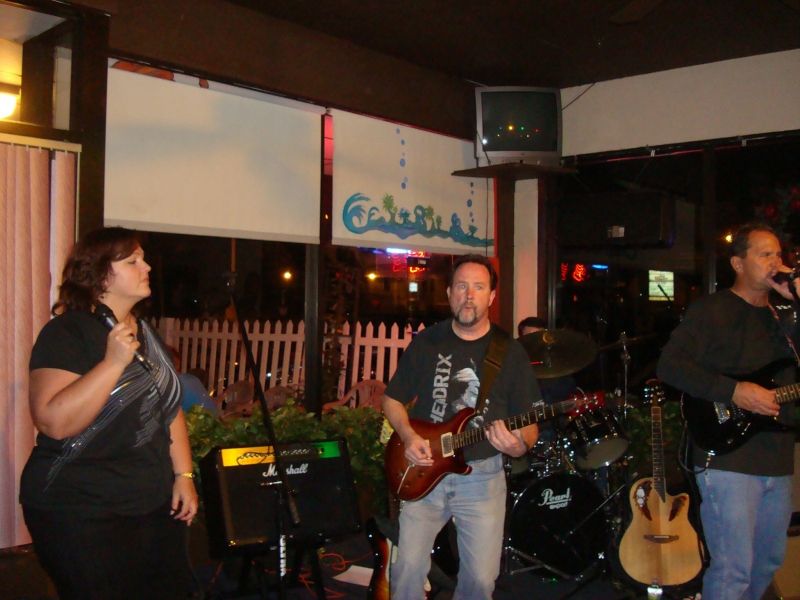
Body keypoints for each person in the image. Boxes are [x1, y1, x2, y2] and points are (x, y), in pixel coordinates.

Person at [19, 227, 198, 600]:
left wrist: (183, 475)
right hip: (80, 507)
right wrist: (112, 363)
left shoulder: (145, 332)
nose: (147, 266)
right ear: (100, 274)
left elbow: (169, 408)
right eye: (133, 261)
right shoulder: (67, 332)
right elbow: (53, 421)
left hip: (149, 504)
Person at [382, 254, 541, 599]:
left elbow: (529, 422)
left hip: (482, 476)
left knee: (481, 582)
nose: (469, 296)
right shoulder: (427, 342)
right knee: (407, 568)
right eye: (461, 286)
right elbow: (392, 399)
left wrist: (518, 446)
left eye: (478, 287)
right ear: (449, 292)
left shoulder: (510, 352)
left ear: (491, 296)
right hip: (424, 468)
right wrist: (408, 436)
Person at [656, 222, 799, 600]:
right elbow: (669, 366)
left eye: (779, 255)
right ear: (738, 263)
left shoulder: (785, 317)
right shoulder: (713, 310)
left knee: (767, 562)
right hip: (727, 455)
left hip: (777, 456)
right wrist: (734, 391)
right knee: (733, 567)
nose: (776, 262)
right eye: (765, 254)